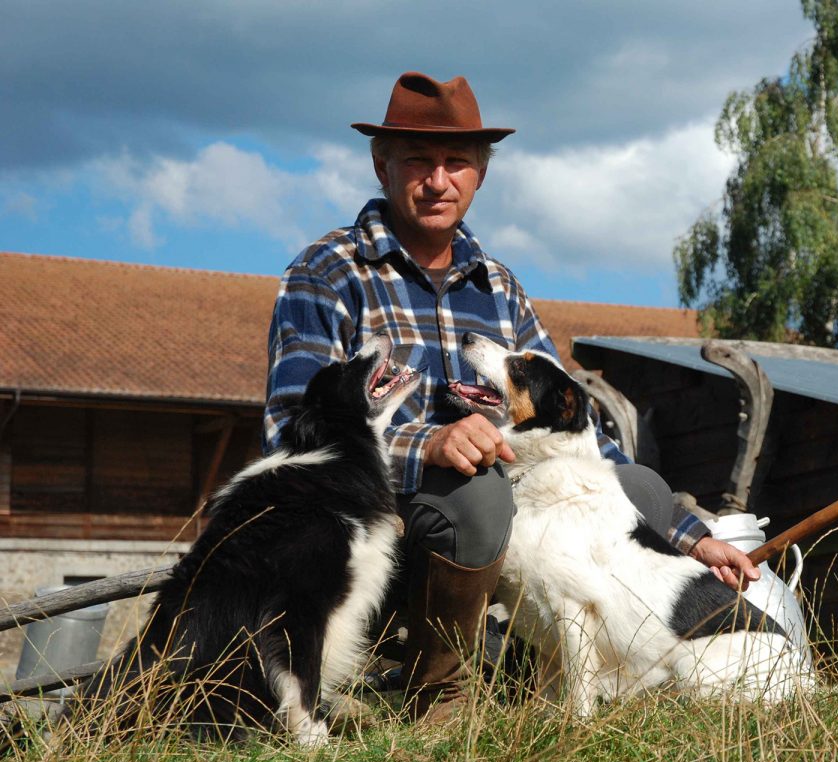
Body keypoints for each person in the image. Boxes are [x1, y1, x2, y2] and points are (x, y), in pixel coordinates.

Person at [263, 72, 759, 722]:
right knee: (477, 495)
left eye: (456, 162)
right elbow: (291, 431)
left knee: (634, 485)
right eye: (418, 159)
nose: (437, 180)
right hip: (371, 530)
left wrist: (693, 536)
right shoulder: (329, 272)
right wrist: (427, 444)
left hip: (494, 527)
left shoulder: (499, 285)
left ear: (480, 175)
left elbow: (571, 429)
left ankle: (615, 669)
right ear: (381, 164)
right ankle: (437, 694)